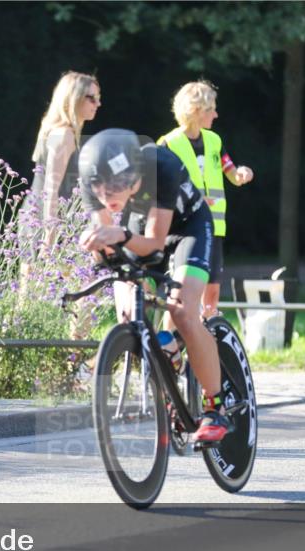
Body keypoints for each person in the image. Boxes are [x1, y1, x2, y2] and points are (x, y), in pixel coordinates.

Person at [76, 128, 231, 444]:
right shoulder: (93, 177)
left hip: (189, 228)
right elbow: (110, 250)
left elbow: (156, 245)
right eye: (102, 191)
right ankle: (167, 354)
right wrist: (97, 245)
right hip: (140, 226)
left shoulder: (161, 165)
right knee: (127, 313)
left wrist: (117, 237)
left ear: (135, 178)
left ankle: (216, 406)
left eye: (117, 188)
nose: (109, 197)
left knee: (183, 312)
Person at [158, 81, 253, 319]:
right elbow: (160, 187)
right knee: (179, 294)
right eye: (212, 109)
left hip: (214, 227)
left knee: (212, 290)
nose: (216, 114)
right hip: (183, 229)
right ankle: (168, 345)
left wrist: (240, 174)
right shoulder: (168, 144)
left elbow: (229, 169)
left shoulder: (214, 141)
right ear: (197, 110)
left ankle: (207, 337)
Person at [27, 71, 101, 251]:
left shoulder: (58, 130)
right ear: (73, 98)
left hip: (41, 217)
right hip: (47, 224)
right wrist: (49, 237)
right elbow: (51, 189)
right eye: (92, 98)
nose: (98, 104)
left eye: (98, 98)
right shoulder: (64, 134)